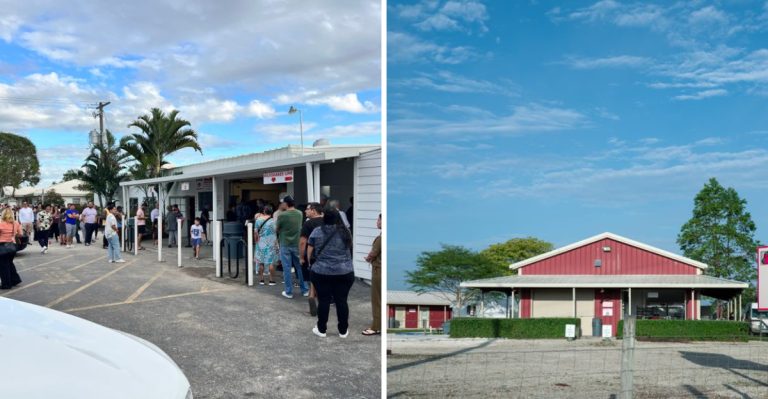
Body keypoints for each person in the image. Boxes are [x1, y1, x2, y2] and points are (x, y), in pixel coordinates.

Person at [307, 209, 355, 338]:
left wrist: (310, 264)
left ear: (324, 218)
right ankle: (343, 331)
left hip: (322, 271)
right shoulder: (346, 232)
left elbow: (309, 251)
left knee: (323, 300)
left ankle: (321, 329)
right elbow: (349, 249)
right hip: (344, 271)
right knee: (342, 301)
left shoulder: (317, 231)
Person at [275, 195, 308, 298]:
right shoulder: (299, 213)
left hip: (285, 243)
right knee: (300, 268)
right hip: (297, 243)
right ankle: (305, 290)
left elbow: (277, 229)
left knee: (287, 268)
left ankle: (289, 292)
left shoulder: (282, 215)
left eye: (283, 203)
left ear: (286, 203)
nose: (282, 204)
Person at [300, 203, 324, 313]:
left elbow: (303, 242)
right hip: (327, 255)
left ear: (313, 210)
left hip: (313, 255)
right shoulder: (327, 222)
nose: (305, 211)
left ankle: (312, 296)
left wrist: (301, 257)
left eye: (307, 209)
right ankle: (313, 296)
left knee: (313, 277)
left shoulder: (308, 224)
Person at [362, 213, 382, 336]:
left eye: (379, 219)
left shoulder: (381, 238)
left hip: (378, 270)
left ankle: (376, 327)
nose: (377, 222)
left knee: (377, 300)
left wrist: (368, 258)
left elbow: (373, 253)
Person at [253, 205, 278, 286]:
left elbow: (255, 232)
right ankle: (271, 280)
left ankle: (261, 280)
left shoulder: (258, 220)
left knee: (261, 262)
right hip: (272, 243)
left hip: (261, 243)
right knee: (271, 262)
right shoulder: (274, 221)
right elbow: (276, 231)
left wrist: (256, 240)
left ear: (264, 211)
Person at [0, 208, 22, 289]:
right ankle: (15, 280)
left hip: (2, 246)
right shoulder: (15, 223)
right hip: (12, 246)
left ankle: (6, 284)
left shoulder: (1, 224)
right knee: (10, 263)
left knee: (3, 266)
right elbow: (20, 234)